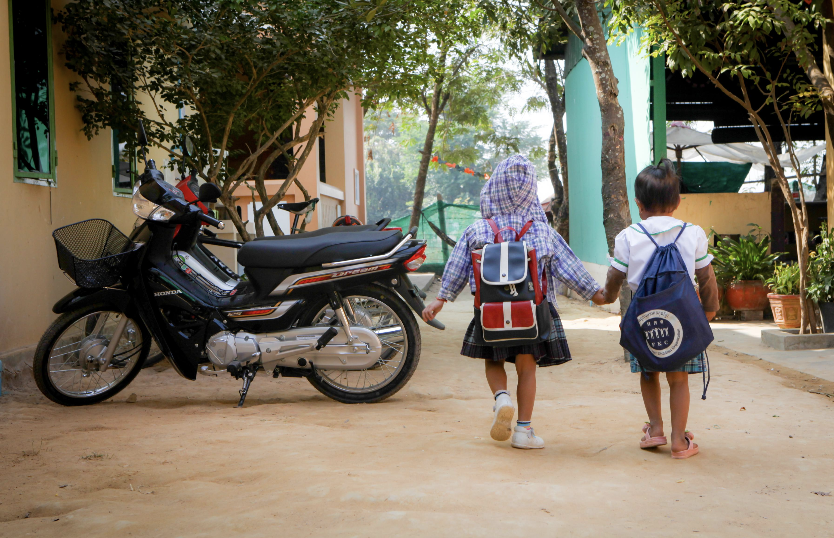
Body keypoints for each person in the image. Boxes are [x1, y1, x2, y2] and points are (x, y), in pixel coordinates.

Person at [422, 155, 606, 449]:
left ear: (494, 187)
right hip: (531, 313)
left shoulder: (478, 230)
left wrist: (440, 299)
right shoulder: (543, 231)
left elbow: (457, 267)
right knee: (526, 369)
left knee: (493, 360)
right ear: (531, 189)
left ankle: (501, 398)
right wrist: (598, 293)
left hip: (490, 312)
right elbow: (571, 269)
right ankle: (523, 431)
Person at [599, 159, 719, 459]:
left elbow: (615, 277)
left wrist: (608, 295)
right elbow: (706, 277)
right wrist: (710, 311)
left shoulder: (629, 236)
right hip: (683, 316)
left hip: (645, 318)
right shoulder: (693, 233)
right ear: (678, 202)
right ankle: (680, 441)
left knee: (649, 374)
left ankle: (655, 430)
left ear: (639, 204)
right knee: (678, 378)